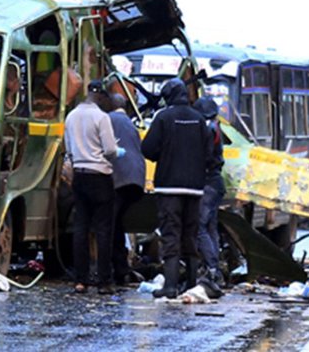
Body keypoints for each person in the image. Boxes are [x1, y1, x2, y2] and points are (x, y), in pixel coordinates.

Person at [141, 78, 214, 299]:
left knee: (171, 234)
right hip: (194, 189)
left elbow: (148, 149)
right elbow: (209, 154)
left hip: (169, 188)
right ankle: (191, 284)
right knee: (190, 234)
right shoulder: (199, 119)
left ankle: (170, 285)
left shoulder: (163, 117)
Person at [63, 79, 119, 294]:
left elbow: (68, 149)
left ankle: (81, 280)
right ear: (101, 97)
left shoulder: (71, 116)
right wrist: (111, 154)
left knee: (81, 228)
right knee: (104, 230)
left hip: (79, 176)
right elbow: (111, 150)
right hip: (100, 176)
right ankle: (104, 282)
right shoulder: (101, 117)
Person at [107, 92, 145, 285]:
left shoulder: (108, 119)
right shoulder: (130, 123)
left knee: (110, 224)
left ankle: (115, 270)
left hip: (119, 177)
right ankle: (121, 267)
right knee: (118, 223)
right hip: (136, 177)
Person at [194, 96, 226, 287]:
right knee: (210, 227)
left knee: (200, 227)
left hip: (208, 183)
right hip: (216, 183)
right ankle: (215, 269)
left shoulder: (209, 129)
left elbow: (204, 157)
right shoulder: (216, 127)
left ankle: (212, 268)